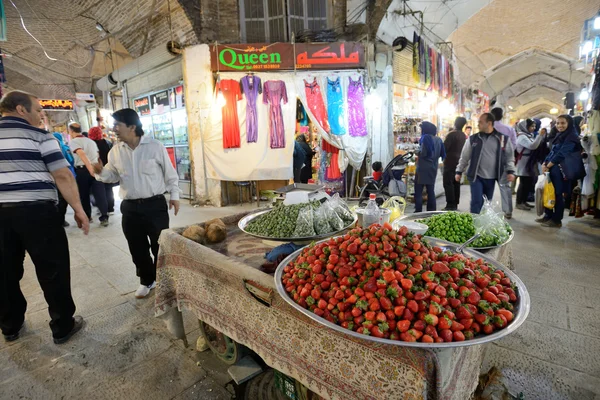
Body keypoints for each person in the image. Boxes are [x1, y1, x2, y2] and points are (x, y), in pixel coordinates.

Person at [0, 91, 87, 344]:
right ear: (21, 109)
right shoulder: (40, 136)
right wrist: (79, 209)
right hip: (37, 212)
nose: (41, 115)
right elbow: (63, 175)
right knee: (53, 269)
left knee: (4, 271)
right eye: (38, 110)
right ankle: (62, 326)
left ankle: (10, 325)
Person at [94, 109, 180, 298]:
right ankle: (147, 280)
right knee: (137, 246)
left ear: (132, 126)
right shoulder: (116, 151)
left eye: (117, 125)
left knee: (160, 246)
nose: (114, 128)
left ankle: (165, 281)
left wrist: (175, 195)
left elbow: (170, 173)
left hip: (154, 205)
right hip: (130, 207)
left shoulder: (154, 146)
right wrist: (100, 171)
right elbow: (111, 175)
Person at [455, 113, 516, 214]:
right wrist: (459, 171)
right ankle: (474, 223)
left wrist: (510, 171)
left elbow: (509, 157)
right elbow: (464, 157)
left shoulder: (502, 139)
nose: (478, 124)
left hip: (491, 177)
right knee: (476, 201)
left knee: (487, 203)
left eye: (480, 122)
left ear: (489, 123)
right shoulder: (473, 139)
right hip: (476, 176)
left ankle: (483, 224)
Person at [536, 115, 584, 228]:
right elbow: (553, 151)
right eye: (557, 123)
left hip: (563, 171)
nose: (559, 125)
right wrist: (545, 163)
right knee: (548, 191)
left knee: (558, 194)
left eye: (563, 123)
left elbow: (563, 153)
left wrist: (548, 165)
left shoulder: (572, 136)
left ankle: (557, 220)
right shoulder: (560, 135)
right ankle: (548, 216)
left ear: (569, 124)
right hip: (553, 168)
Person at [68, 122, 109, 227]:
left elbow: (81, 154)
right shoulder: (90, 141)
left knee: (84, 194)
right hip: (96, 168)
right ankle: (104, 216)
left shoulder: (74, 142)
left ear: (71, 131)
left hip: (84, 170)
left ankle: (88, 216)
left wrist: (89, 168)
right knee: (100, 193)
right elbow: (97, 155)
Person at [490, 107, 517, 219]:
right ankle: (507, 211)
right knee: (505, 186)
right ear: (502, 116)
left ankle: (484, 210)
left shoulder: (488, 127)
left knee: (486, 186)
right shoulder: (509, 129)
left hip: (488, 162)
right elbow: (514, 145)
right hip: (504, 161)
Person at [414, 121, 445, 212]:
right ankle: (431, 211)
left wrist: (416, 152)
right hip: (433, 167)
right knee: (430, 191)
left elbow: (423, 153)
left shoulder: (425, 138)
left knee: (418, 191)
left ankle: (418, 210)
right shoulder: (439, 140)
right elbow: (441, 154)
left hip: (423, 168)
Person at [515, 119, 545, 210]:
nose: (534, 128)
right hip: (524, 162)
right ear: (525, 127)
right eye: (532, 126)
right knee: (523, 183)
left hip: (528, 162)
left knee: (527, 183)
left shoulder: (528, 135)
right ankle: (519, 202)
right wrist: (540, 136)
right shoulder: (522, 137)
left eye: (534, 126)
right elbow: (532, 146)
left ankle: (523, 201)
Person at [88, 127, 115, 214]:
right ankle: (111, 208)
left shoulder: (91, 144)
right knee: (108, 189)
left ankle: (102, 208)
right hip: (108, 167)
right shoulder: (107, 142)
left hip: (97, 169)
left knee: (98, 191)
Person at [442, 117, 467, 210]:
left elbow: (444, 148)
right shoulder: (463, 135)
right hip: (458, 161)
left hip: (450, 161)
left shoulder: (451, 134)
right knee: (456, 183)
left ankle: (450, 204)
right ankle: (455, 203)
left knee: (448, 183)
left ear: (455, 123)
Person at [52, 132, 76, 227]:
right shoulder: (65, 148)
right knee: (63, 198)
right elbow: (71, 160)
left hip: (52, 177)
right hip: (66, 175)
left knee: (57, 199)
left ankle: (58, 220)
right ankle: (61, 219)